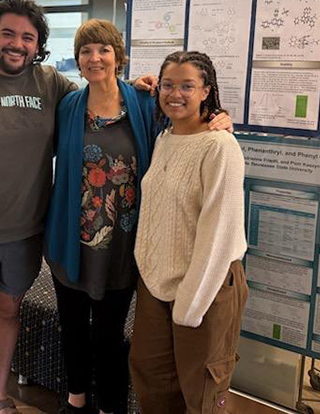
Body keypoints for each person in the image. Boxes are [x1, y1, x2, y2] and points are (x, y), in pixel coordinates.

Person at [0, 0, 154, 414]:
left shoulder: (49, 84)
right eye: (7, 33)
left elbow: (97, 95)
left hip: (26, 232)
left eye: (28, 37)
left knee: (7, 313)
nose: (17, 44)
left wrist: (136, 88)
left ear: (37, 44)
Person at [45, 26, 233, 414]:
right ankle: (76, 400)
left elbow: (187, 124)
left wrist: (220, 117)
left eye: (103, 50)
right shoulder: (68, 106)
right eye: (86, 51)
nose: (94, 58)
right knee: (75, 329)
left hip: (123, 246)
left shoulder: (146, 105)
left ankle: (110, 406)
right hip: (72, 240)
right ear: (77, 60)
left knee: (111, 335)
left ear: (118, 55)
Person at [129, 51, 248, 414]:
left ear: (206, 91)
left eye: (187, 86)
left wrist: (190, 305)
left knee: (202, 394)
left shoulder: (220, 146)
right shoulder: (165, 137)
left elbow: (219, 234)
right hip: (156, 284)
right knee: (152, 381)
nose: (175, 94)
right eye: (167, 85)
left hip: (204, 289)